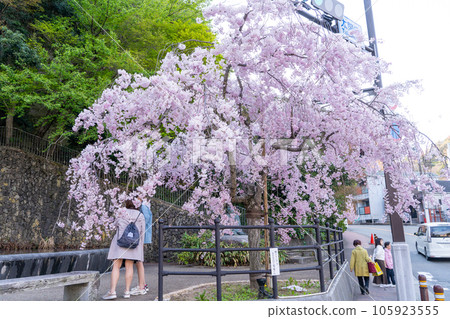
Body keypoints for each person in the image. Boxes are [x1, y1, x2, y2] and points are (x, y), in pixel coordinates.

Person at [102, 200, 145, 300]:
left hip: (120, 242)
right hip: (133, 244)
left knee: (116, 265)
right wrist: (141, 244)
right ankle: (127, 291)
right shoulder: (140, 215)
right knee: (129, 266)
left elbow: (114, 225)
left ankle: (112, 291)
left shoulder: (121, 212)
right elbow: (142, 231)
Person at [130, 200, 153, 296]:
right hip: (143, 235)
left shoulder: (143, 206)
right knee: (139, 261)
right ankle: (143, 284)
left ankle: (141, 286)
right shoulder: (145, 205)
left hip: (142, 235)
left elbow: (145, 219)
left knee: (139, 261)